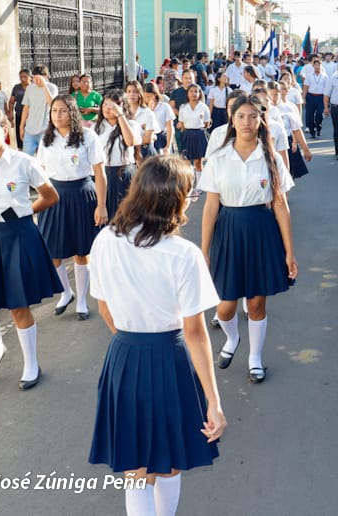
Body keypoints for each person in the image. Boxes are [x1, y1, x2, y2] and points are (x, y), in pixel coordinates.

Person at [88, 156, 227, 515]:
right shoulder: (183, 253)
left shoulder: (104, 240)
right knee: (168, 462)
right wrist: (214, 401)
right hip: (170, 358)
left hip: (123, 356)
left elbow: (104, 309)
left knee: (136, 469)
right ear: (176, 199)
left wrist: (133, 342)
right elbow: (195, 332)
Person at [0, 106, 61, 390]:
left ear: (4, 129)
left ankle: (31, 363)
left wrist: (25, 212)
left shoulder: (23, 162)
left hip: (19, 234)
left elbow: (50, 195)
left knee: (19, 306)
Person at [200, 94, 298, 384]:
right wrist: (204, 250)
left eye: (253, 116)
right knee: (225, 305)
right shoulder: (218, 156)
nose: (247, 122)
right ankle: (232, 339)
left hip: (261, 232)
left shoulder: (271, 158)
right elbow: (210, 207)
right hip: (228, 231)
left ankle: (255, 358)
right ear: (231, 119)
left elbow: (281, 205)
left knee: (256, 303)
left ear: (260, 120)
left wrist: (290, 252)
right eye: (241, 116)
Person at [36, 94, 107, 320]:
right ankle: (67, 292)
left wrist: (102, 206)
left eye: (63, 111)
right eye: (54, 111)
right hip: (54, 196)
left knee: (80, 251)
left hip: (81, 194)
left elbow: (99, 173)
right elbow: (40, 173)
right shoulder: (47, 139)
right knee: (51, 250)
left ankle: (83, 301)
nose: (58, 115)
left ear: (73, 113)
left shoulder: (88, 137)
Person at [94, 89, 142, 217]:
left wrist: (120, 116)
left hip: (124, 174)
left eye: (112, 105)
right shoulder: (97, 127)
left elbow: (130, 141)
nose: (107, 108)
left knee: (126, 215)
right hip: (103, 175)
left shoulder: (131, 124)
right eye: (105, 104)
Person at [19, 65, 59, 156]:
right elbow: (26, 108)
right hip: (29, 130)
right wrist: (21, 126)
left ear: (46, 76)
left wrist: (44, 86)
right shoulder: (30, 88)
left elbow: (53, 105)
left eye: (39, 78)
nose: (36, 81)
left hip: (45, 129)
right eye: (34, 78)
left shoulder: (52, 88)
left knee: (44, 159)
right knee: (27, 158)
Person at [177, 83, 211, 178]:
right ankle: (190, 185)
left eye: (196, 91)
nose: (193, 94)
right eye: (191, 91)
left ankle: (199, 185)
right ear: (187, 93)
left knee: (198, 162)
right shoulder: (183, 107)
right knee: (186, 162)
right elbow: (182, 123)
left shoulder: (204, 107)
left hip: (199, 135)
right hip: (187, 134)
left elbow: (206, 123)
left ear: (200, 93)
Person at [125, 80, 159, 159]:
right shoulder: (122, 113)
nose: (131, 94)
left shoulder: (147, 112)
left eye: (135, 91)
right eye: (129, 91)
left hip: (145, 152)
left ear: (140, 94)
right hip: (128, 154)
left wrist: (130, 140)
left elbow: (148, 138)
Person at [145, 82, 175, 155]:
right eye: (145, 97)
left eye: (149, 96)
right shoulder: (144, 109)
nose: (147, 99)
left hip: (161, 138)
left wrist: (168, 146)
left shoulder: (165, 107)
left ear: (155, 95)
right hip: (148, 137)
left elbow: (169, 127)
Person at [302, 59, 328, 138]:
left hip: (321, 97)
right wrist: (304, 98)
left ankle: (318, 127)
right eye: (315, 65)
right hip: (311, 96)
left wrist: (327, 101)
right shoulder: (309, 76)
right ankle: (312, 131)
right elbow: (306, 87)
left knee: (319, 114)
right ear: (313, 66)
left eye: (319, 65)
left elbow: (327, 89)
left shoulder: (325, 77)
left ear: (321, 66)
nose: (317, 67)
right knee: (309, 115)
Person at [9, 69, 32, 149]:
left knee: (30, 138)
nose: (23, 79)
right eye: (21, 77)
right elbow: (11, 101)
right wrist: (10, 113)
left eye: (25, 77)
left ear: (30, 77)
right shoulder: (16, 87)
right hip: (19, 115)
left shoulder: (33, 87)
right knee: (20, 137)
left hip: (31, 117)